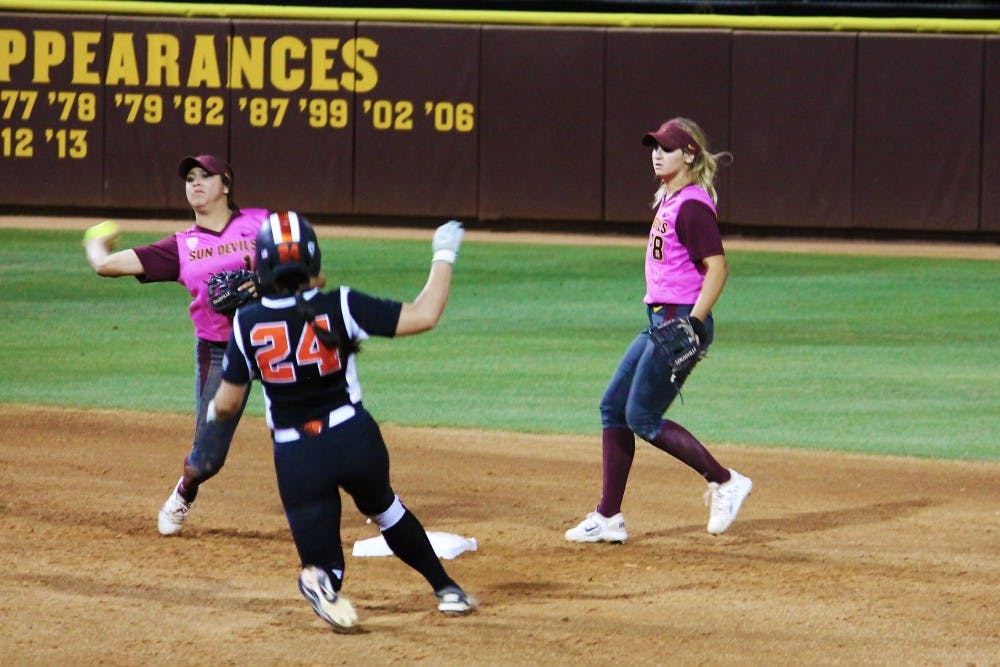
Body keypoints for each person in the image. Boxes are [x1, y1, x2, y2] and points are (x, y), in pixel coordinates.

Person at [208, 211, 476, 632]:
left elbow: (227, 405)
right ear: (312, 262)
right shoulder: (342, 304)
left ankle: (322, 582)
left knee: (323, 562)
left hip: (297, 456)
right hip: (353, 438)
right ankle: (447, 590)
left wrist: (213, 410)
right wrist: (444, 252)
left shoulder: (246, 322)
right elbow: (425, 315)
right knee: (386, 510)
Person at [565, 117, 752, 543]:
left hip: (681, 320)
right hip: (660, 322)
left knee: (641, 416)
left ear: (689, 154)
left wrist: (695, 322)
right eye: (654, 146)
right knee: (613, 407)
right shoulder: (669, 199)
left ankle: (724, 481)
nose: (656, 153)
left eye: (666, 147)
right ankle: (609, 517)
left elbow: (718, 269)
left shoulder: (690, 206)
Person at [83, 154, 277, 536]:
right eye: (190, 177)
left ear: (226, 184)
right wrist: (95, 242)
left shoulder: (264, 224)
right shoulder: (180, 247)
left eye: (205, 175)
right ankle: (185, 491)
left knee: (318, 425)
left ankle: (373, 497)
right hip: (221, 352)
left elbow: (313, 275)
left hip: (276, 342)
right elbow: (105, 266)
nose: (196, 182)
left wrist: (269, 283)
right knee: (208, 457)